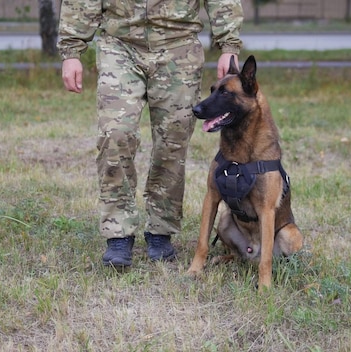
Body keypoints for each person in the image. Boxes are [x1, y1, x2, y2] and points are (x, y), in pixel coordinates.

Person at [57, 0, 243, 268]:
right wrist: (71, 50)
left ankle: (160, 230)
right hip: (121, 44)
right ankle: (118, 233)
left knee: (173, 140)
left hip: (178, 46)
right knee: (115, 133)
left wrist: (229, 44)